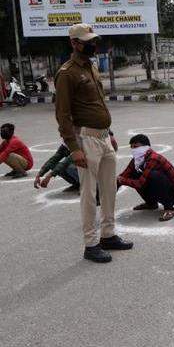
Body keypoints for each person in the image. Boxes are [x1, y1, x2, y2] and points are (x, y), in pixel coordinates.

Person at [54, 23, 132, 263]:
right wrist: (74, 148)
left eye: (94, 41)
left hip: (103, 137)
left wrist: (110, 132)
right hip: (85, 140)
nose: (93, 44)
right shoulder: (67, 73)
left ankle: (108, 235)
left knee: (109, 189)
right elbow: (62, 115)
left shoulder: (92, 68)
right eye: (88, 41)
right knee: (89, 194)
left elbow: (99, 105)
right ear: (74, 43)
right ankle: (91, 244)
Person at [117, 134, 174, 222]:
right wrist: (116, 182)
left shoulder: (154, 158)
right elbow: (124, 175)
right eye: (132, 147)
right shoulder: (137, 160)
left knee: (154, 175)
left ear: (145, 146)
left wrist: (122, 180)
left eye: (136, 146)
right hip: (159, 190)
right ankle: (151, 204)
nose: (133, 150)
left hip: (173, 194)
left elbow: (140, 183)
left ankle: (169, 208)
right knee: (134, 174)